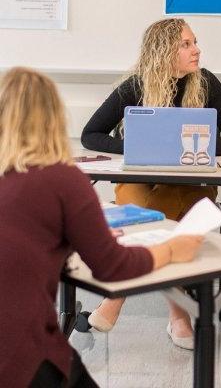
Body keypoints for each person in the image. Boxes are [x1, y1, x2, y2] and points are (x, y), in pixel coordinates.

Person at [0, 68, 204, 388]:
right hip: (21, 353)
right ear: (53, 117)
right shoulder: (62, 180)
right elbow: (112, 267)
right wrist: (171, 248)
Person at [81, 18, 221, 348]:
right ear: (163, 50)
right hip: (142, 181)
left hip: (191, 185)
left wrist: (188, 149)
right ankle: (179, 317)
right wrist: (139, 147)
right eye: (186, 44)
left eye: (195, 42)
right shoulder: (135, 86)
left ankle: (117, 296)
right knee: (139, 203)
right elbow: (91, 135)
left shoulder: (207, 83)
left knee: (150, 215)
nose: (196, 49)